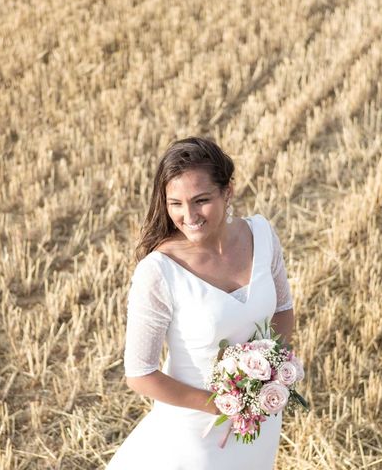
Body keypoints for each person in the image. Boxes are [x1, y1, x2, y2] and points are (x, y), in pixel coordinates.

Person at [106, 137, 295, 470]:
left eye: (201, 200)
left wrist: (269, 375)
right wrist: (224, 404)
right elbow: (140, 374)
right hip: (194, 437)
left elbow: (282, 309)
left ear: (228, 191)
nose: (188, 215)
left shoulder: (262, 235)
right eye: (175, 203)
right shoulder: (158, 271)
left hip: (260, 420)